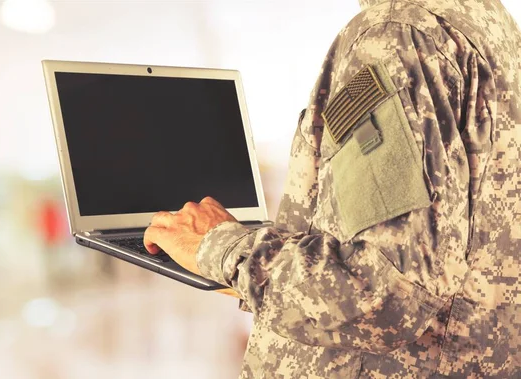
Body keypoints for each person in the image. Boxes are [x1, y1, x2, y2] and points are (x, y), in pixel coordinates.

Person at [144, 0, 521, 377]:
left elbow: (384, 291)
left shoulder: (396, 34)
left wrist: (219, 246)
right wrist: (242, 272)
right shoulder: (486, 22)